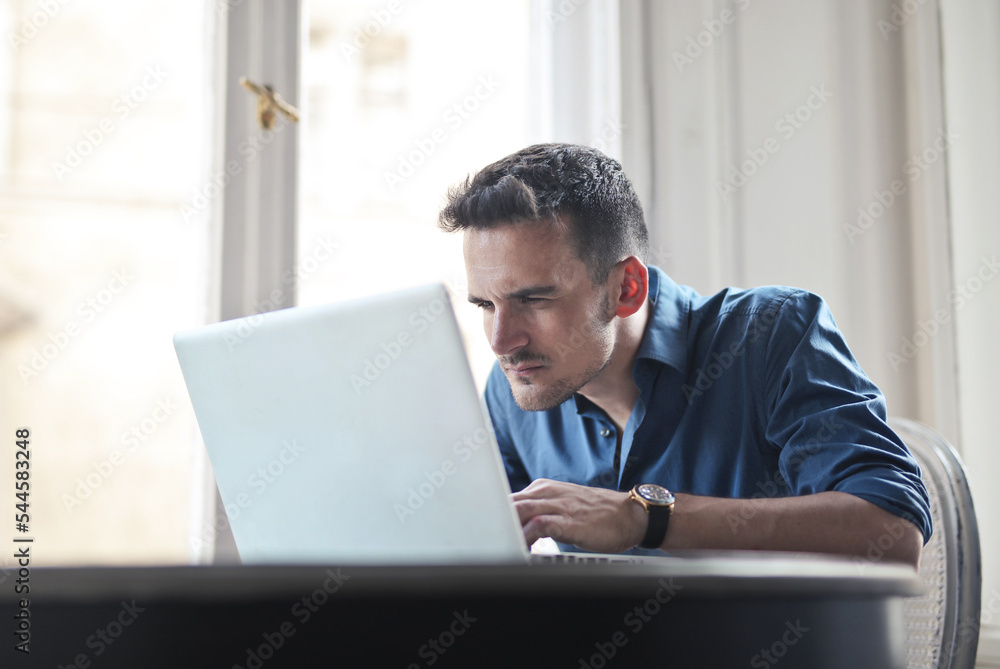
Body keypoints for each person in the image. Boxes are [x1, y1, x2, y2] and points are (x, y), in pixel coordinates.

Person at [438, 143, 930, 567]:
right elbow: (472, 552)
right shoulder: (516, 387)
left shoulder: (771, 335)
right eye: (486, 305)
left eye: (533, 299)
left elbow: (894, 531)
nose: (501, 342)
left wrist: (644, 518)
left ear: (626, 288)